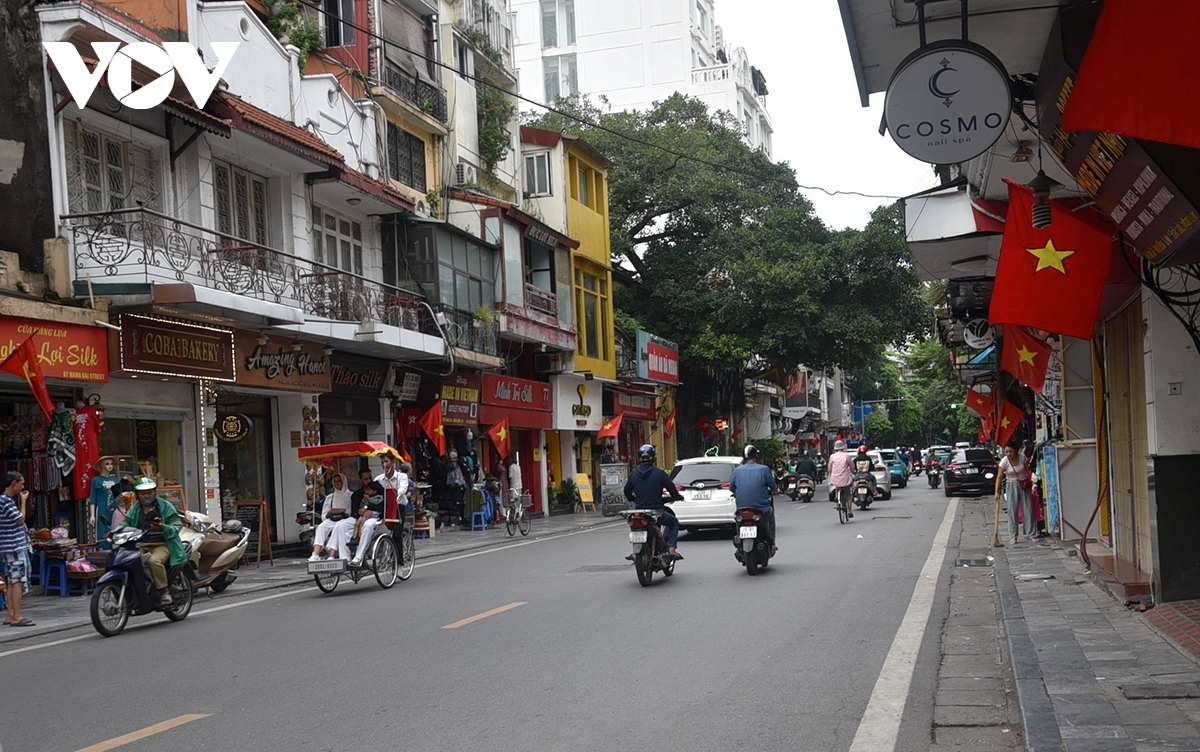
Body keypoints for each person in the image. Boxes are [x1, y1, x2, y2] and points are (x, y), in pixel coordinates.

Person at [119, 476, 186, 605]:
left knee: (154, 561)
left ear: (155, 492)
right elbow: (125, 523)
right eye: (143, 493)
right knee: (126, 559)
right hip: (140, 544)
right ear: (138, 495)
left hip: (163, 544)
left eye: (150, 492)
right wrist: (115, 532)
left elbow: (177, 526)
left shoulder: (166, 507)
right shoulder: (135, 508)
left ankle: (164, 591)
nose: (147, 496)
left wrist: (163, 527)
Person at [623, 444, 684, 559]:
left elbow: (627, 491)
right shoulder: (659, 473)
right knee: (674, 522)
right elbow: (671, 488)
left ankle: (635, 552)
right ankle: (672, 549)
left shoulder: (634, 475)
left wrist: (633, 499)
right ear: (653, 459)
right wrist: (677, 497)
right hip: (657, 511)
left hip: (639, 512)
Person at [0, 471, 34, 626]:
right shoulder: (5, 501)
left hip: (7, 547)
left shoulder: (4, 501)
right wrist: (23, 502)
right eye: (21, 483)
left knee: (11, 582)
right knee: (18, 581)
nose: (23, 487)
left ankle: (10, 615)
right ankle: (17, 616)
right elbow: (20, 520)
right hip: (14, 547)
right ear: (13, 484)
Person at [729, 444, 778, 549]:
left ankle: (739, 543)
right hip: (761, 508)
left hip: (742, 509)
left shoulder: (737, 470)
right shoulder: (764, 469)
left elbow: (731, 488)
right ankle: (772, 543)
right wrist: (775, 491)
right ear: (756, 456)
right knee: (771, 516)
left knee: (738, 519)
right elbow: (773, 487)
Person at [996, 440, 1036, 545]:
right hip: (1011, 486)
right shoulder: (1004, 461)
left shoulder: (1022, 457)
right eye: (1007, 452)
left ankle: (1030, 534)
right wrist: (996, 492)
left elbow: (1027, 470)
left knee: (1028, 509)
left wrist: (1034, 479)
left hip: (1024, 484)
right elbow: (999, 477)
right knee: (1012, 511)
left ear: (1016, 451)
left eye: (1011, 452)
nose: (1009, 454)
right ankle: (1013, 536)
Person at [309, 473, 352, 561]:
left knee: (337, 527)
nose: (337, 483)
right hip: (332, 519)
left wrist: (342, 510)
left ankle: (332, 555)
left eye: (339, 481)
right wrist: (330, 512)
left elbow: (351, 512)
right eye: (335, 481)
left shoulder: (350, 495)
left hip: (345, 520)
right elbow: (323, 516)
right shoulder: (330, 497)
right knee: (321, 527)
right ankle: (315, 554)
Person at [827, 440, 856, 518]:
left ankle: (836, 495)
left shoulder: (832, 456)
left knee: (837, 483)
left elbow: (829, 468)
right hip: (845, 478)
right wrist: (853, 472)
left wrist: (831, 474)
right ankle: (850, 511)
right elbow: (852, 467)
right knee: (848, 495)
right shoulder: (846, 456)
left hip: (835, 478)